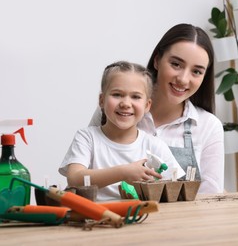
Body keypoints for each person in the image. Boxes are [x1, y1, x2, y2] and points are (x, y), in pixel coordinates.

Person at [90, 23, 225, 193]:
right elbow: (85, 179)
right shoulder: (117, 111)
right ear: (157, 60)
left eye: (196, 72)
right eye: (176, 64)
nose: (183, 79)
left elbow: (211, 196)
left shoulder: (209, 126)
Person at [59, 61, 185, 201]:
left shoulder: (155, 146)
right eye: (117, 94)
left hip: (143, 218)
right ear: (101, 100)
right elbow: (74, 179)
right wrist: (123, 173)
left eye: (136, 97)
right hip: (96, 219)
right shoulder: (87, 138)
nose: (125, 103)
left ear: (147, 105)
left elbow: (173, 189)